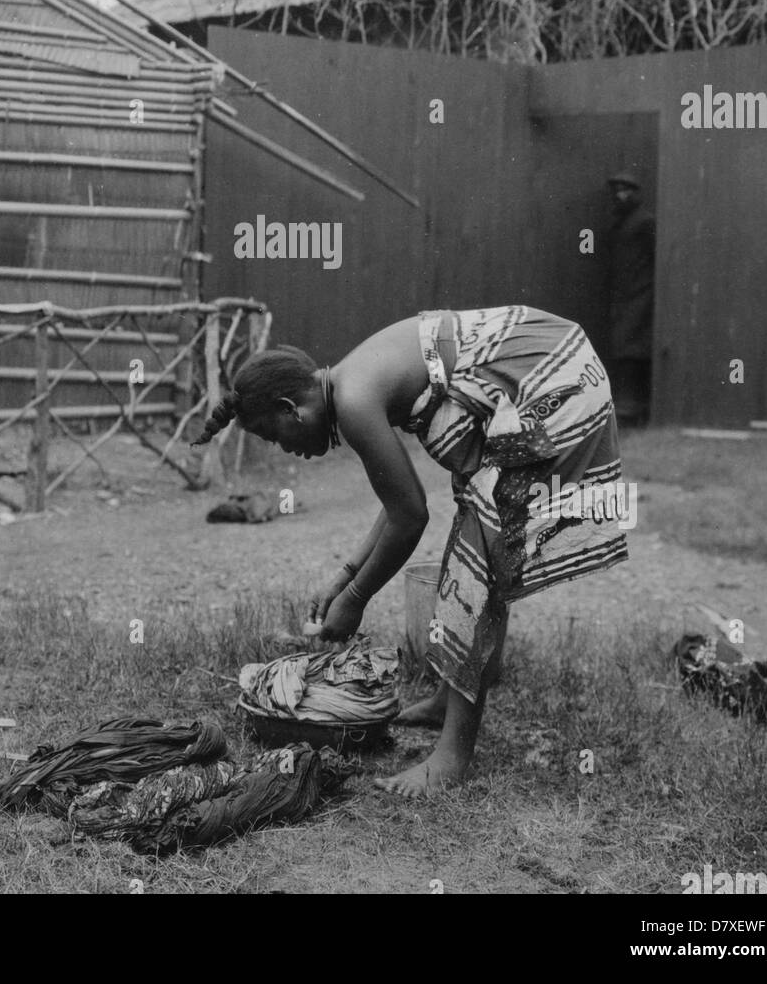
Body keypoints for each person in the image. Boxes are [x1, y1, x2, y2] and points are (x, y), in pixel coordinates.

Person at [193, 306, 629, 798]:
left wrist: (356, 598)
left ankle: (453, 755)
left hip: (551, 378)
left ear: (292, 409)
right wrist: (346, 574)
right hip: (550, 355)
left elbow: (410, 517)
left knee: (483, 545)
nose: (284, 450)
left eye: (275, 437)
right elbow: (397, 495)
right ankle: (449, 698)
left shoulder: (355, 400)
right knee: (479, 522)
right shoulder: (350, 384)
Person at [606, 173, 656, 425]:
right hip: (624, 295)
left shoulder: (645, 222)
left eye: (626, 190)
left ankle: (632, 406)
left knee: (632, 348)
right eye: (616, 190)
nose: (619, 194)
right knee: (624, 346)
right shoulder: (622, 222)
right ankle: (628, 405)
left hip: (640, 294)